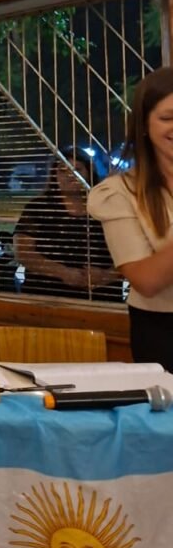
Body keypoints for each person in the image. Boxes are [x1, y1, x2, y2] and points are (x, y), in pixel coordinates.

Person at [89, 68, 173, 370]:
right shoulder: (119, 192)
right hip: (163, 331)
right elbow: (145, 280)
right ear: (144, 126)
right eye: (167, 118)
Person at [13, 146, 122, 301]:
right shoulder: (38, 208)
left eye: (78, 169)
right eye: (62, 170)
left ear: (89, 173)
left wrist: (106, 276)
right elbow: (23, 253)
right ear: (54, 175)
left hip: (101, 299)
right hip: (47, 299)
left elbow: (131, 253)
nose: (70, 175)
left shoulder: (108, 208)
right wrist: (64, 273)